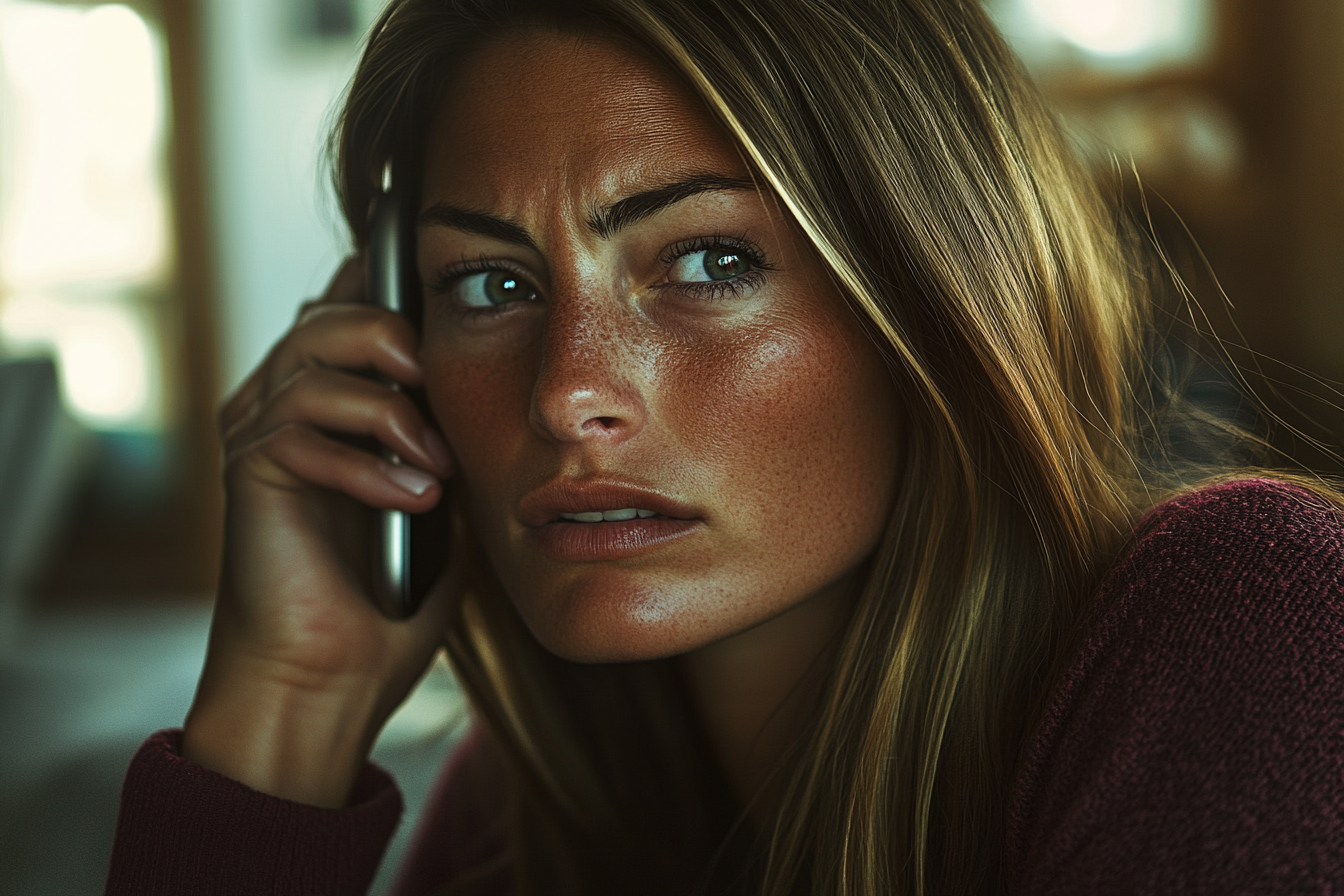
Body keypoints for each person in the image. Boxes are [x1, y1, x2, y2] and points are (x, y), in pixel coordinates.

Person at [104, 0, 1344, 893]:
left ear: (940, 294)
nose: (568, 393)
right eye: (487, 284)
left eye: (710, 262)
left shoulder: (1246, 613)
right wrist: (289, 708)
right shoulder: (529, 804)